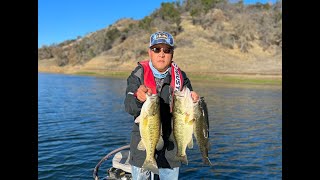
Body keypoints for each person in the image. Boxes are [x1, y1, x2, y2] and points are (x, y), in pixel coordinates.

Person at [124, 31, 199, 180]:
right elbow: (129, 106)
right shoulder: (138, 75)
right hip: (143, 144)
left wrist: (194, 103)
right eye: (156, 49)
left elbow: (189, 113)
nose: (161, 54)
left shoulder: (181, 77)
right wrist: (138, 99)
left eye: (167, 50)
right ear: (149, 52)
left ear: (172, 53)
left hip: (172, 147)